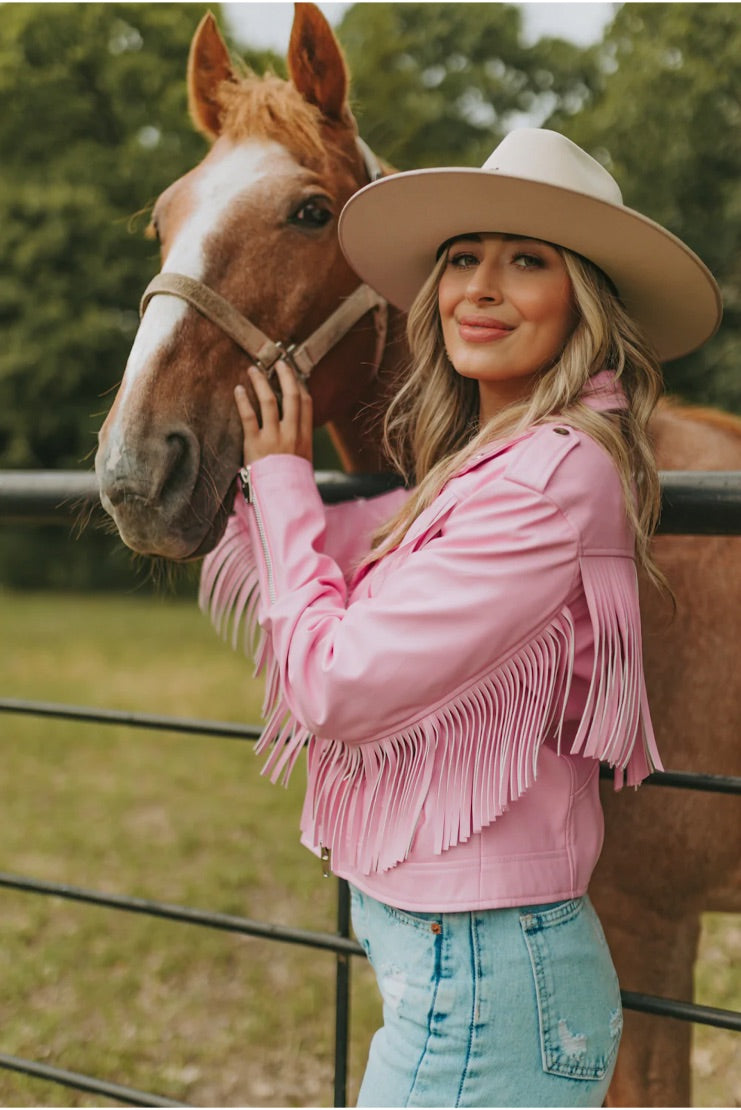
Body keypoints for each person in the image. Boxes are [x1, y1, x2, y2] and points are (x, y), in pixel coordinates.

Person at [200, 128, 721, 1107]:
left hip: (480, 983)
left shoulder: (551, 480)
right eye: (463, 259)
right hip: (467, 970)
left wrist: (280, 479)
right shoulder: (492, 464)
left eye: (527, 260)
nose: (480, 288)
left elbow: (337, 683)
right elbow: (378, 541)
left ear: (584, 303)